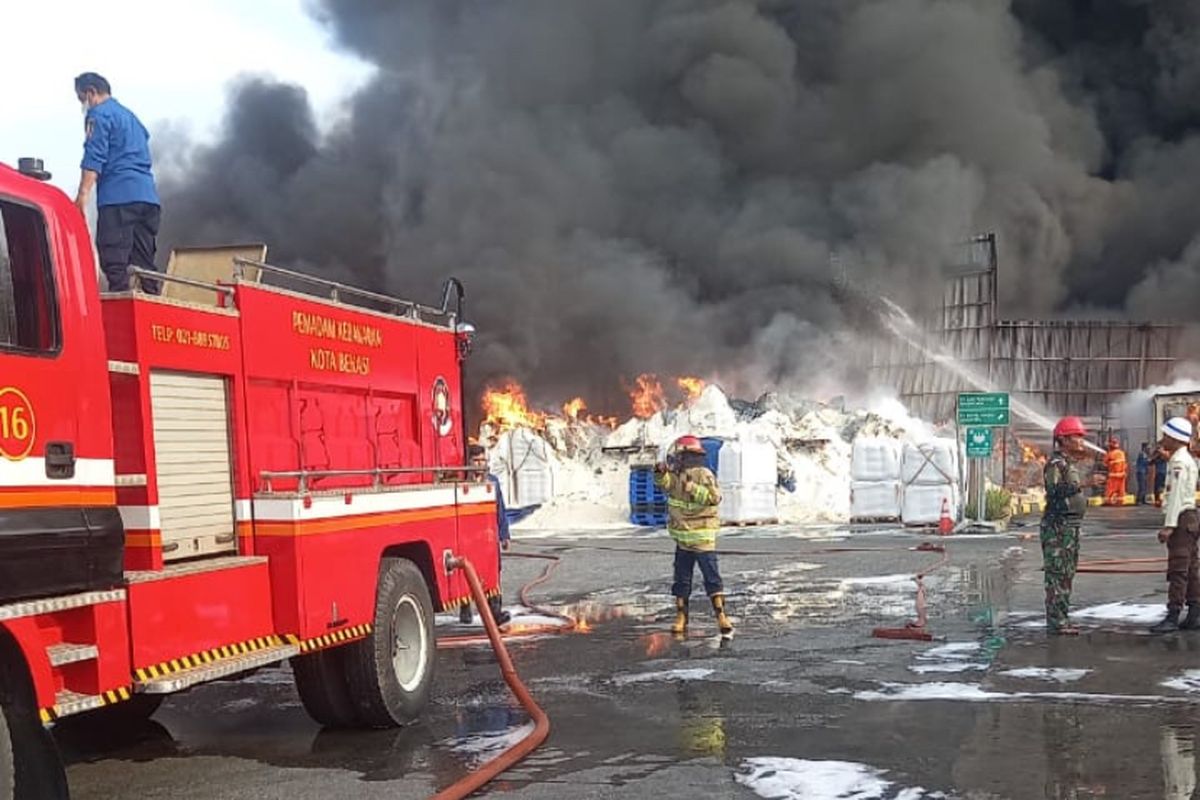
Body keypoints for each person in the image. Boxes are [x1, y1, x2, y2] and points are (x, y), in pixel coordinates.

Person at [73, 72, 162, 294]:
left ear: (91, 93)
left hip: (118, 198)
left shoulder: (99, 115)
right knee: (145, 265)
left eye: (80, 98)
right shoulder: (131, 118)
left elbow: (94, 155)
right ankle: (152, 312)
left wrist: (82, 196)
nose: (82, 105)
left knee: (114, 261)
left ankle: (118, 316)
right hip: (148, 199)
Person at [655, 435, 732, 637]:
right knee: (681, 580)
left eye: (678, 456)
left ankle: (721, 617)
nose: (675, 459)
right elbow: (664, 484)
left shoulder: (703, 474)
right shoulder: (676, 475)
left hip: (703, 541)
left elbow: (715, 498)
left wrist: (694, 489)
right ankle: (681, 617)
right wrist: (660, 473)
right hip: (683, 541)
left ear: (686, 456)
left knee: (712, 579)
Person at [1041, 417, 1096, 635]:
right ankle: (1057, 622)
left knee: (1066, 573)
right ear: (1064, 439)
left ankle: (1062, 618)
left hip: (1069, 527)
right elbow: (1054, 491)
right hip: (1058, 528)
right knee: (1057, 574)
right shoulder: (1056, 464)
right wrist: (1084, 484)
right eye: (1077, 437)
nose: (1082, 441)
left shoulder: (1067, 463)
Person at [1149, 417, 1200, 633]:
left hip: (1181, 519)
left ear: (1175, 437)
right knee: (1191, 567)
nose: (1163, 439)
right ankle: (1195, 614)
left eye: (1166, 436)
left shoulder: (1179, 463)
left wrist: (1169, 526)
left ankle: (1172, 615)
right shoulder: (1182, 458)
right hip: (1189, 518)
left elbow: (1177, 496)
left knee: (1178, 569)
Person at [461, 445, 511, 625]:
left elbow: (500, 509)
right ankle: (465, 609)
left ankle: (495, 612)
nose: (480, 464)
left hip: (489, 537)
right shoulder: (461, 483)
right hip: (468, 538)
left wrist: (504, 535)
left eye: (483, 460)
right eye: (476, 461)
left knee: (493, 571)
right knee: (469, 573)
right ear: (468, 462)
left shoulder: (493, 482)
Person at [1104, 438, 1127, 506]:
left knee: (1111, 490)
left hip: (1113, 475)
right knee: (1121, 490)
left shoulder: (1110, 454)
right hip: (1122, 475)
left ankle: (1109, 502)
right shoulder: (1122, 453)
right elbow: (1125, 464)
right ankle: (1120, 501)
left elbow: (1105, 463)